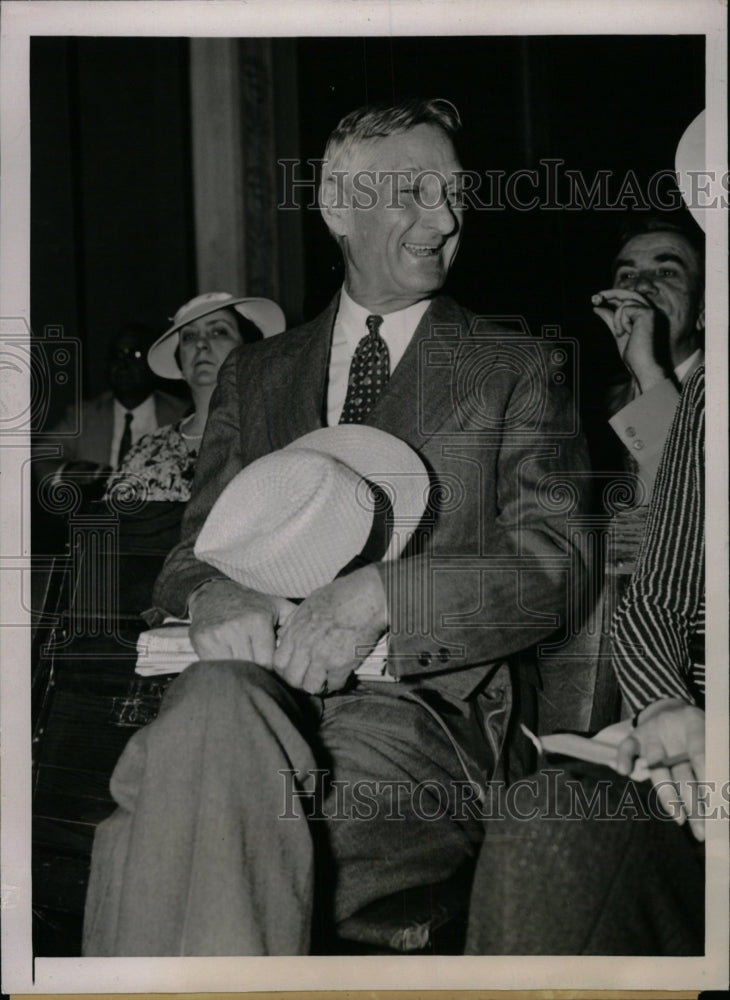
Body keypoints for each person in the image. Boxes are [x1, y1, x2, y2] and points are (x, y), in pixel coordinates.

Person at [82, 97, 590, 956]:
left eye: (456, 193)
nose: (447, 217)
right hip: (249, 691)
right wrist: (209, 594)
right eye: (417, 191)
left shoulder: (516, 365)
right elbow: (187, 551)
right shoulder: (256, 372)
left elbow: (560, 563)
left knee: (151, 831)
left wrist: (385, 596)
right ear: (337, 207)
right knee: (213, 716)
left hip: (422, 721)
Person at [464, 366, 705, 955]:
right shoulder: (693, 391)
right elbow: (656, 592)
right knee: (547, 817)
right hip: (688, 728)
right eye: (627, 269)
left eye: (665, 268)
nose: (639, 290)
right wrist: (666, 703)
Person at [104, 293, 285, 502]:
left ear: (249, 351)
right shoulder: (149, 450)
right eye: (189, 336)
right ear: (180, 362)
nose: (201, 344)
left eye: (218, 331)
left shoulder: (277, 437)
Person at [592, 215, 704, 495]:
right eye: (627, 275)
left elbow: (698, 503)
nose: (641, 286)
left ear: (703, 310)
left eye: (666, 272)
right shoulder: (588, 406)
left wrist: (647, 373)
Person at [33, 323, 188, 488]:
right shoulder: (83, 416)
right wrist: (68, 473)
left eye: (135, 355)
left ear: (153, 364)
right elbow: (40, 455)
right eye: (117, 355)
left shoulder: (183, 415)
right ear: (106, 365)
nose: (124, 364)